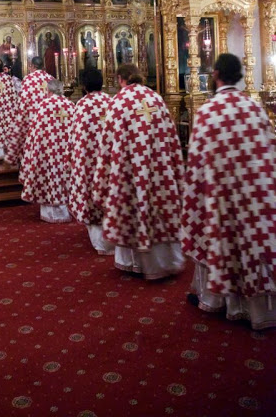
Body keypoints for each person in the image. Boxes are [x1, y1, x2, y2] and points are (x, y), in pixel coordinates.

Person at [182, 53, 276, 330]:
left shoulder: (209, 112)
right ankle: (259, 310)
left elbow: (196, 164)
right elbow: (269, 152)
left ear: (216, 75)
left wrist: (195, 197)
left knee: (222, 241)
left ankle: (218, 300)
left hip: (221, 197)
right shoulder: (254, 107)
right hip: (254, 196)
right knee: (253, 243)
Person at [92, 63, 185, 279]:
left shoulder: (118, 102)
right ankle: (166, 261)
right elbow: (172, 138)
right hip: (159, 169)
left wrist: (103, 177)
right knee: (158, 207)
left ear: (121, 79)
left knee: (131, 209)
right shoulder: (156, 98)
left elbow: (107, 144)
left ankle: (132, 263)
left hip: (128, 170)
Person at [67, 69, 114, 253]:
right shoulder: (111, 102)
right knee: (108, 195)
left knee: (91, 197)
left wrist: (72, 159)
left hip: (88, 162)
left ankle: (101, 243)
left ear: (84, 86)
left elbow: (74, 137)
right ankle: (112, 240)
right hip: (109, 161)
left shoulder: (82, 105)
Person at [21, 79, 75, 223]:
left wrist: (31, 150)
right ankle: (64, 210)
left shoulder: (44, 105)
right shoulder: (70, 105)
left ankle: (50, 213)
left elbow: (35, 131)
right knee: (63, 178)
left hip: (48, 150)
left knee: (49, 178)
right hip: (66, 151)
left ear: (48, 91)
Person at [5, 56, 54, 173]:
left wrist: (19, 116)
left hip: (32, 119)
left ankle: (32, 168)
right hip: (48, 120)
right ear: (43, 66)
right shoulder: (51, 79)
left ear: (32, 66)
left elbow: (23, 101)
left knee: (33, 145)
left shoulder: (28, 79)